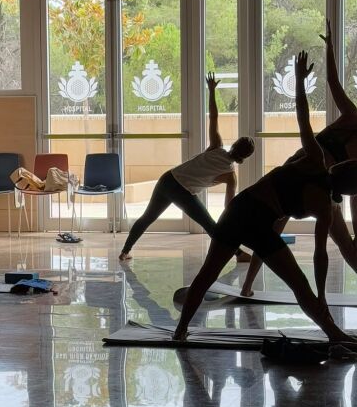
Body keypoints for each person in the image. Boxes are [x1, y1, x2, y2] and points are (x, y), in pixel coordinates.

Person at [174, 52, 357, 344]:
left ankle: (335, 334)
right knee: (210, 273)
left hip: (254, 220)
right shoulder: (315, 162)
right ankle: (180, 330)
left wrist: (322, 294)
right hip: (243, 213)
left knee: (298, 285)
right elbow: (303, 120)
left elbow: (320, 255)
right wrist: (298, 82)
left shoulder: (327, 204)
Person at [242, 20, 357, 295]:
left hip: (326, 189)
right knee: (273, 225)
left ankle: (248, 286)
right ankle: (246, 286)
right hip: (301, 169)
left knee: (344, 245)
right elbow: (332, 82)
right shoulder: (353, 117)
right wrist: (329, 48)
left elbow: (354, 194)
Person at [119, 73, 254, 262]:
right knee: (209, 224)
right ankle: (239, 254)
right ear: (245, 157)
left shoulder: (217, 146)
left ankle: (125, 251)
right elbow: (228, 206)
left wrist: (212, 91)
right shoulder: (231, 176)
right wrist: (233, 223)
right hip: (181, 190)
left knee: (147, 217)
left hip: (168, 179)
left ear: (235, 145)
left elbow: (213, 117)